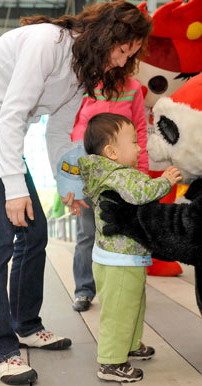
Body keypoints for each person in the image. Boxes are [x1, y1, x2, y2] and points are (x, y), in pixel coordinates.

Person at [0, 1, 152, 385]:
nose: (121, 62)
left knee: (34, 231)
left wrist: (67, 185)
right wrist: (14, 187)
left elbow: (57, 133)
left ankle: (25, 324)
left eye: (130, 56)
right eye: (122, 51)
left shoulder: (81, 73)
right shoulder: (47, 42)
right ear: (106, 36)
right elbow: (14, 112)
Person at [77, 113, 182, 382]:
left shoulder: (108, 174)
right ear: (111, 152)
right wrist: (165, 181)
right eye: (134, 141)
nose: (139, 147)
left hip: (118, 258)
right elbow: (141, 193)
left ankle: (131, 345)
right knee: (119, 311)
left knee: (132, 305)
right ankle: (111, 362)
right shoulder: (120, 176)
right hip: (120, 260)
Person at [69, 76, 148, 312]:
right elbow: (69, 127)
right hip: (88, 172)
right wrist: (69, 179)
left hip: (123, 174)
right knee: (87, 233)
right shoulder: (84, 84)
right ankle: (84, 290)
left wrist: (141, 173)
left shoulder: (133, 87)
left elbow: (140, 131)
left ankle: (123, 288)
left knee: (125, 233)